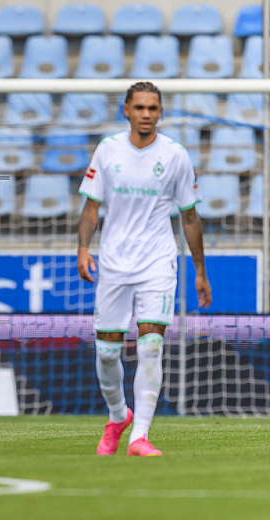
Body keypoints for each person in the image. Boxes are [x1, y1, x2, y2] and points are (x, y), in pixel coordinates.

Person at [77, 82, 212, 456]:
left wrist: (200, 271)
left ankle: (140, 435)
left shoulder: (175, 155)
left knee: (151, 344)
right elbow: (91, 208)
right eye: (140, 107)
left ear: (161, 112)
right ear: (126, 110)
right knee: (107, 352)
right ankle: (118, 416)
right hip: (115, 261)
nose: (147, 114)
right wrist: (83, 249)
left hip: (157, 261)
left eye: (153, 108)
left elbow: (190, 217)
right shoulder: (108, 150)